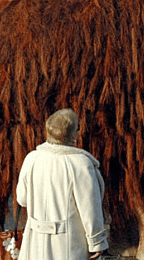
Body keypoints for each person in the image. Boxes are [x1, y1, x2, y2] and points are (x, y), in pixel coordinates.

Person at [16, 108, 109, 260]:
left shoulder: (31, 158)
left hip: (35, 244)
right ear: (73, 134)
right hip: (70, 245)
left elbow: (22, 199)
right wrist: (96, 243)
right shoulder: (81, 163)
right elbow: (90, 209)